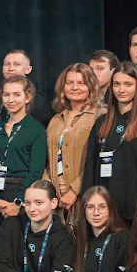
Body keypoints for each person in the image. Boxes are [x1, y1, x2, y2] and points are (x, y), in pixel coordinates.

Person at [82, 64, 137, 216]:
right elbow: (90, 166)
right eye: (117, 84)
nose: (121, 90)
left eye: (128, 84)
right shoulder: (102, 122)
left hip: (135, 204)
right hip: (104, 204)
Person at [0, 76, 47, 224]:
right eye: (6, 95)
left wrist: (18, 202)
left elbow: (36, 171)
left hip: (22, 194)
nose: (10, 100)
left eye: (16, 94)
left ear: (27, 97)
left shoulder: (36, 129)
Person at [46, 63, 100, 214]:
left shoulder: (100, 116)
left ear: (91, 86)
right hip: (55, 198)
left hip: (84, 195)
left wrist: (75, 190)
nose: (74, 87)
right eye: (69, 83)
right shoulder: (56, 119)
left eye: (81, 83)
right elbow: (47, 158)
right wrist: (49, 190)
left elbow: (96, 161)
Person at [0, 50, 52, 126]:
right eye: (7, 64)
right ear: (2, 69)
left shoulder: (38, 102)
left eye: (17, 64)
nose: (11, 68)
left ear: (28, 69)